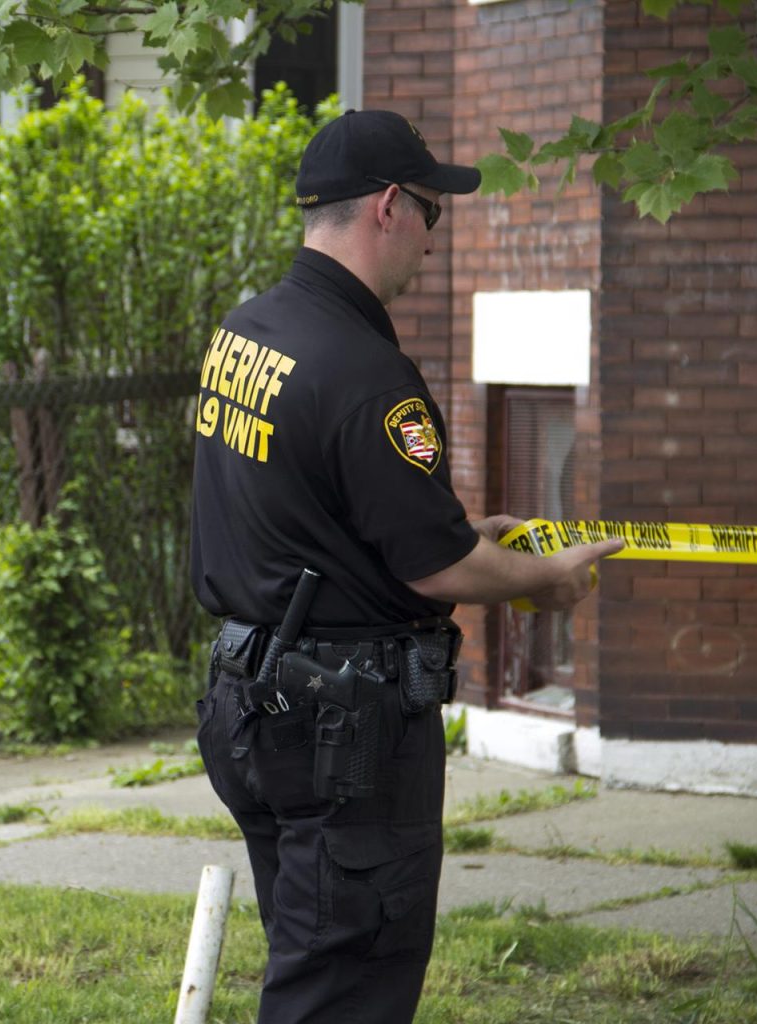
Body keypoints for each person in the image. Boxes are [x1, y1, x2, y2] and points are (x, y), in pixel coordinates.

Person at [189, 109, 622, 1024]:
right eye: (433, 212)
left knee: (308, 963)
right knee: (346, 986)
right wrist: (542, 581)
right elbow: (435, 570)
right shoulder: (365, 370)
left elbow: (321, 515)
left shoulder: (251, 331)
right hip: (344, 737)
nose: (435, 239)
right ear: (389, 206)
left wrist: (460, 537)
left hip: (252, 703)